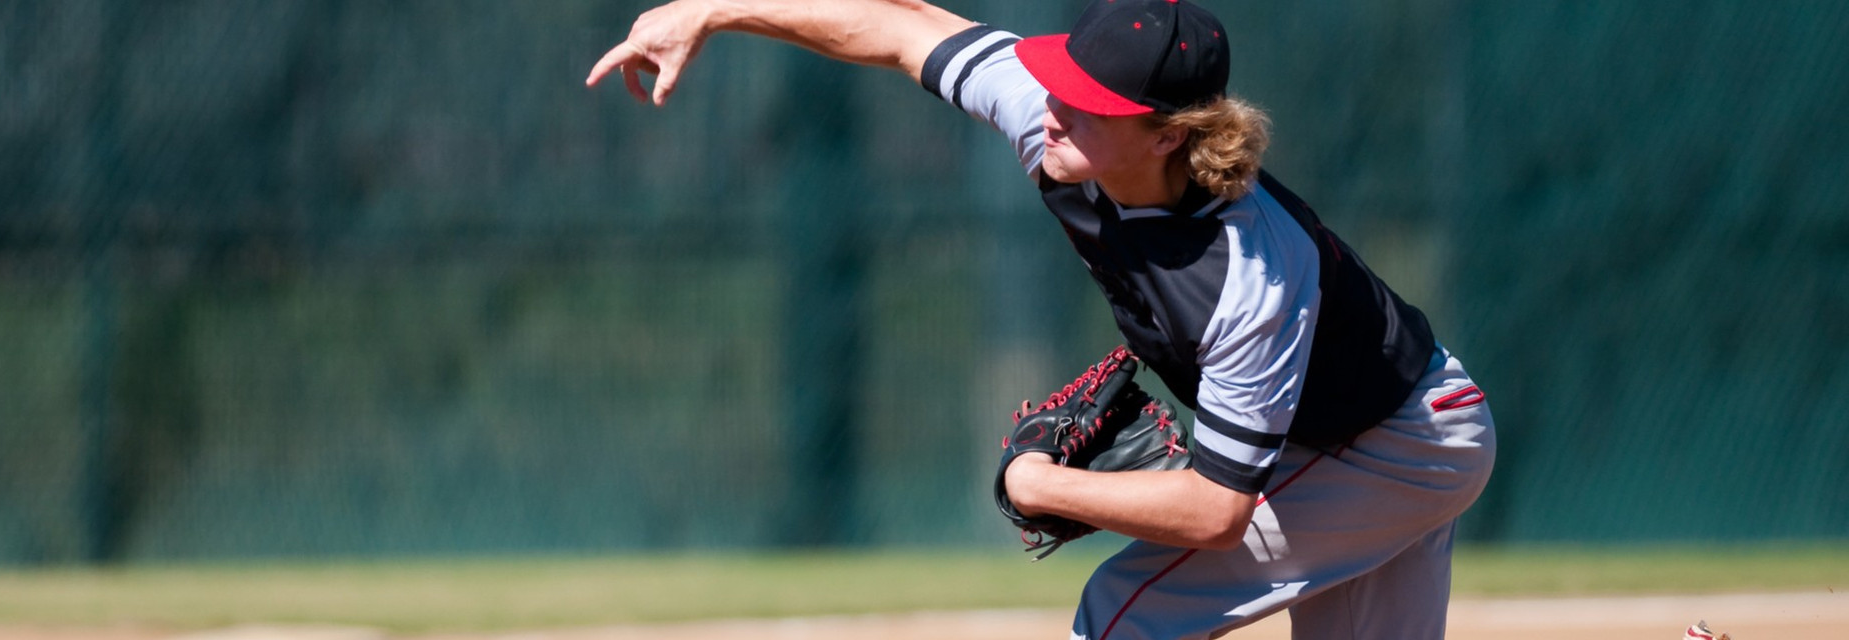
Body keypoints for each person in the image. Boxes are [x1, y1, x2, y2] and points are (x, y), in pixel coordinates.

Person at [588, 0, 1497, 638]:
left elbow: (1217, 509)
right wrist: (712, 8)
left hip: (1397, 444)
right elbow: (903, 24)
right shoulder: (1062, 128)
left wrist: (1037, 486)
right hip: (1369, 431)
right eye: (1059, 84)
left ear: (1169, 135)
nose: (1051, 111)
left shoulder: (1249, 273)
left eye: (1087, 105)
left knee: (1123, 616)